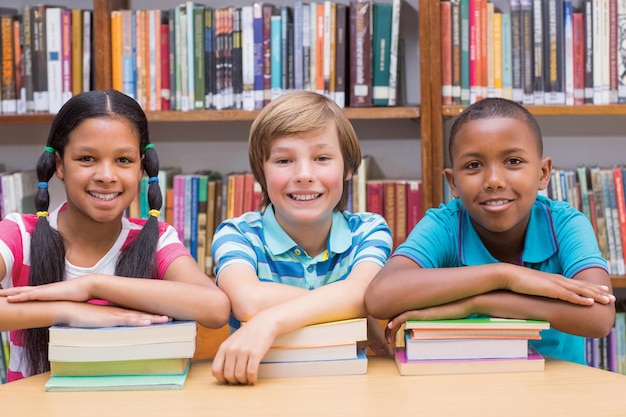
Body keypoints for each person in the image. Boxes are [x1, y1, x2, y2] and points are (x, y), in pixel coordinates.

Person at [0, 89, 230, 382]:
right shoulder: (20, 234)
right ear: (59, 165)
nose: (107, 176)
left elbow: (215, 308)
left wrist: (95, 286)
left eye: (123, 160)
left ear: (142, 169)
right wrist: (69, 311)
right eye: (87, 158)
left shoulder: (156, 239)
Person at [364, 97, 616, 365]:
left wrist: (478, 303)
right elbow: (380, 297)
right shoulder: (447, 225)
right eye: (473, 165)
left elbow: (599, 317)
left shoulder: (564, 224)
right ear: (453, 182)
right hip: (470, 389)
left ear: (543, 173)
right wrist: (505, 275)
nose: (494, 181)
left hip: (555, 393)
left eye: (513, 161)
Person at [210, 91, 393, 384]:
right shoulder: (237, 234)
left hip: (347, 385)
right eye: (284, 160)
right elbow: (248, 300)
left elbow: (363, 293)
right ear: (261, 172)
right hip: (260, 386)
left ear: (347, 168)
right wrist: (348, 305)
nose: (304, 174)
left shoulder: (368, 231)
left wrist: (271, 320)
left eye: (322, 158)